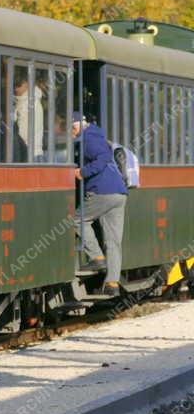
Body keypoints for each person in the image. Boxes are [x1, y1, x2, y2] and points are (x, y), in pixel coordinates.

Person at [73, 112, 128, 296]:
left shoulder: (88, 138)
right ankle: (112, 283)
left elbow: (103, 157)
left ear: (80, 125)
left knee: (78, 219)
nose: (72, 132)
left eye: (72, 128)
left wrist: (83, 171)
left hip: (102, 191)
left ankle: (96, 256)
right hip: (119, 193)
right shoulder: (97, 135)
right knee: (113, 241)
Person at [13, 77, 45, 161]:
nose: (15, 89)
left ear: (27, 84)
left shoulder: (27, 103)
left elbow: (23, 130)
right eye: (14, 85)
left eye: (18, 85)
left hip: (28, 152)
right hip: (34, 152)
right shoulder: (30, 100)